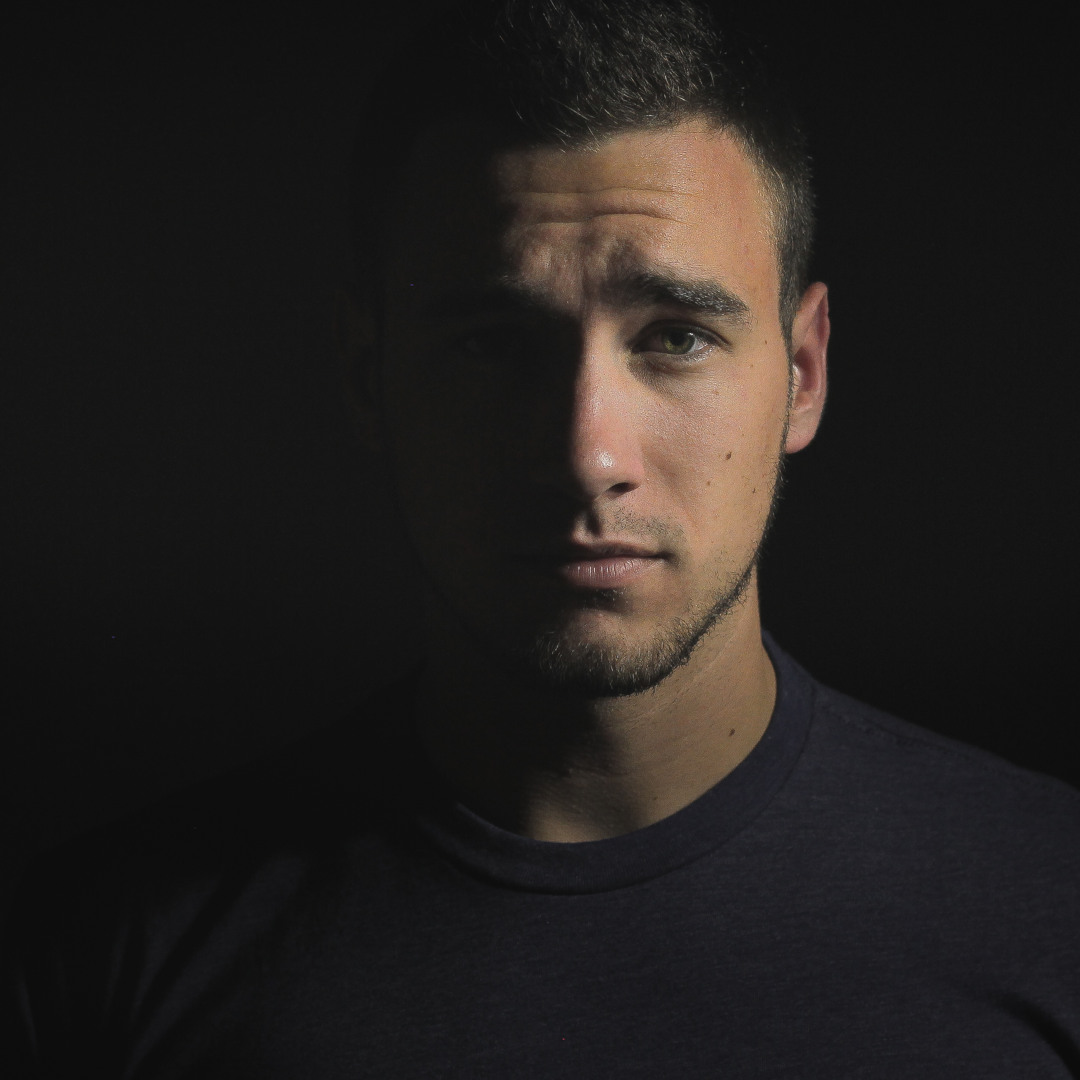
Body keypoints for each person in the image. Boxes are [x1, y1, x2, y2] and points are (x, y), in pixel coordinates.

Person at [3, 1, 1078, 1076]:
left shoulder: (1053, 904)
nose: (586, 454)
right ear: (369, 377)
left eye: (676, 338)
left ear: (802, 374)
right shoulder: (98, 962)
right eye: (492, 344)